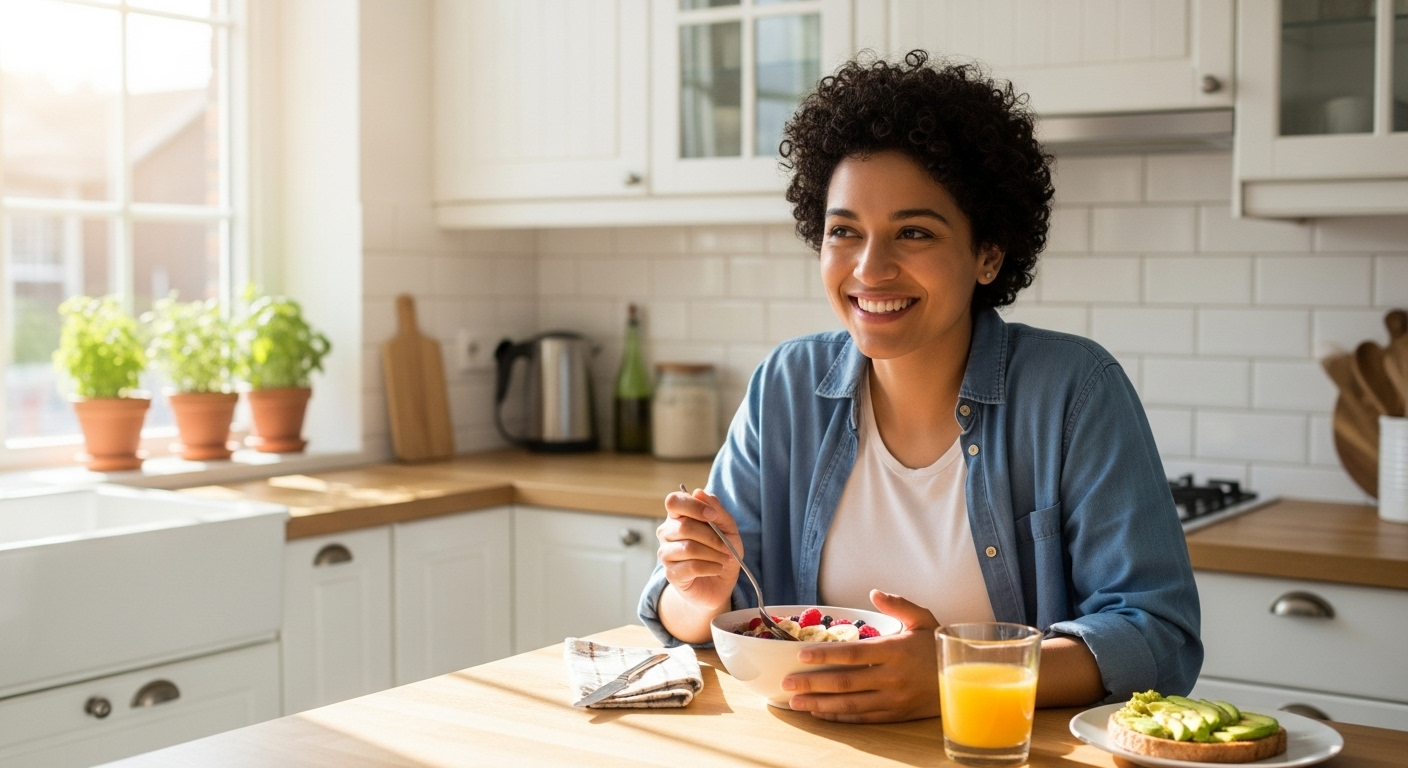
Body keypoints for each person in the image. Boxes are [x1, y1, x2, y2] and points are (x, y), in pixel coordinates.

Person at [638, 51, 1201, 724]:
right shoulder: (786, 385)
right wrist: (700, 591)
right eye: (844, 231)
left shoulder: (1075, 390)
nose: (870, 269)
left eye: (914, 232)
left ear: (988, 253)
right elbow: (686, 622)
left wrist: (955, 674)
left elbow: (1160, 640)